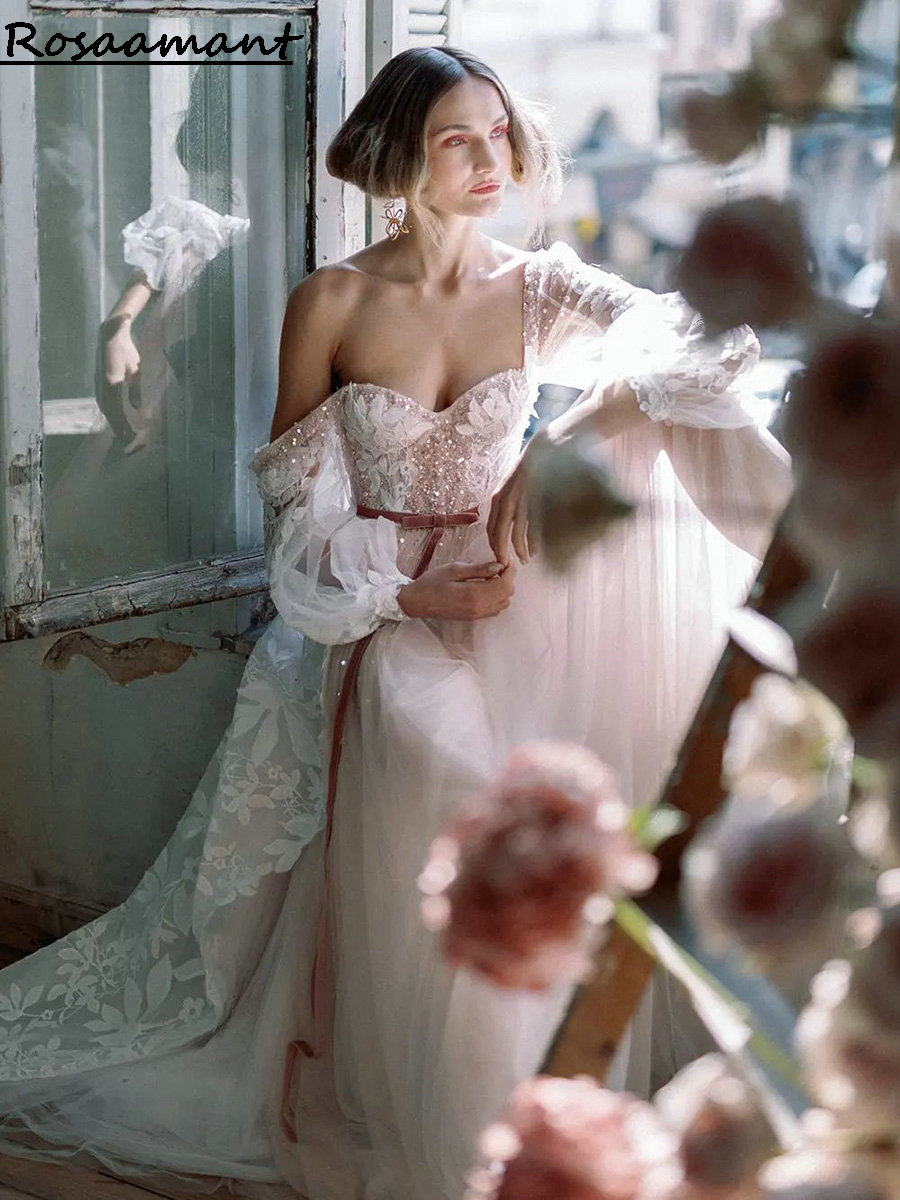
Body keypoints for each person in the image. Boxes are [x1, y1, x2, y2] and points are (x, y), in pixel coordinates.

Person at [0, 45, 792, 1200]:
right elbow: (291, 528)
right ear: (392, 159)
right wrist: (410, 596)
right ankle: (478, 1130)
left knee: (545, 798)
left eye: (500, 134)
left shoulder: (541, 290)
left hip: (515, 605)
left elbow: (718, 344)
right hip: (373, 618)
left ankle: (538, 1108)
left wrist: (565, 438)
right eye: (455, 140)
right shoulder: (332, 301)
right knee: (441, 753)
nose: (491, 161)